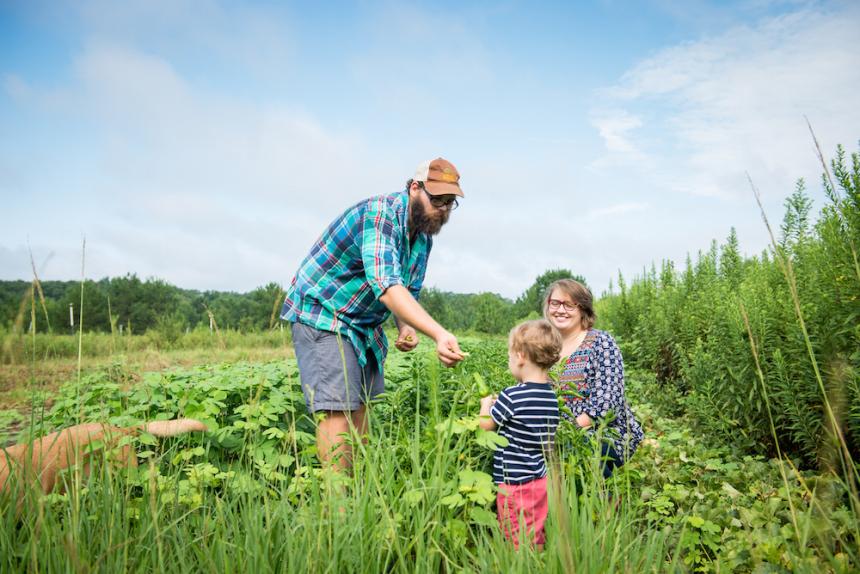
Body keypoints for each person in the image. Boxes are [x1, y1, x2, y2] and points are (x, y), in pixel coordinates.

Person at [281, 158, 466, 472]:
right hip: (325, 312)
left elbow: (407, 288)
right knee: (338, 409)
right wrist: (438, 333)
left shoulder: (422, 237)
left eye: (450, 203)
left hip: (363, 324)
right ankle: (336, 497)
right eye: (437, 200)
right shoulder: (380, 214)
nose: (443, 210)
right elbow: (387, 286)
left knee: (361, 407)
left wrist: (405, 326)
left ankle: (357, 490)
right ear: (415, 188)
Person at [543, 278, 643, 478]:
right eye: (555, 303)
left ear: (583, 309)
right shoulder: (545, 347)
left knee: (576, 453)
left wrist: (565, 433)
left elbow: (608, 403)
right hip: (558, 434)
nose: (560, 310)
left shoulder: (601, 342)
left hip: (604, 431)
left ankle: (599, 495)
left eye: (569, 305)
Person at [478, 319, 561, 550]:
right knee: (534, 531)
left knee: (515, 538)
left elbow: (485, 427)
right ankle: (539, 561)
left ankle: (520, 564)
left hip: (513, 483)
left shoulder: (512, 395)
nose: (510, 362)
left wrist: (485, 405)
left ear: (521, 356)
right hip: (539, 481)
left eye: (510, 357)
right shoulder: (551, 397)